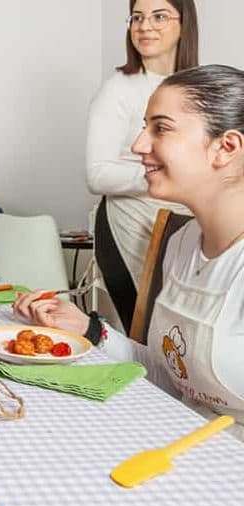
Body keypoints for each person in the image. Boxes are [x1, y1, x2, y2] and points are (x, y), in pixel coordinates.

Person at [19, 65, 244, 440]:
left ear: (225, 147)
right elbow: (174, 377)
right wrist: (89, 330)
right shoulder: (183, 243)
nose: (139, 145)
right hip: (180, 445)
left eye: (161, 128)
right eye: (144, 127)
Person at [86, 0, 198, 332]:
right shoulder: (119, 87)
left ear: (184, 23)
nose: (144, 26)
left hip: (183, 224)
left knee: (180, 335)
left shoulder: (197, 85)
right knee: (146, 331)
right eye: (137, 17)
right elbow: (97, 174)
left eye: (159, 16)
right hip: (128, 224)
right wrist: (168, 175)